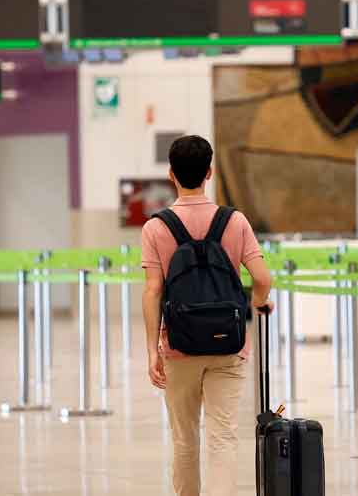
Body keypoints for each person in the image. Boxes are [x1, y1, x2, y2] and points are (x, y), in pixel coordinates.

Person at [141, 135, 273, 496]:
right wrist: (259, 301)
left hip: (179, 346)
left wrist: (153, 350)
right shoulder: (235, 222)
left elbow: (153, 289)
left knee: (185, 440)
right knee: (223, 437)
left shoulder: (156, 227)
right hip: (228, 345)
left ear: (171, 174)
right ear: (210, 172)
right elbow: (262, 278)